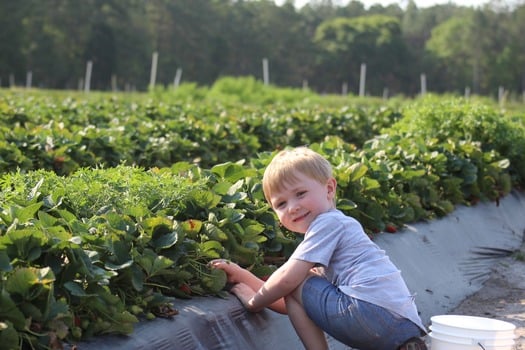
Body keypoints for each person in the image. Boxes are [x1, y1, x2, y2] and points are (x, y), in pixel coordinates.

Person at [210, 146, 427, 350]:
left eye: (301, 193)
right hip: (403, 325)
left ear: (329, 188)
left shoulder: (327, 223)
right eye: (281, 204)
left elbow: (287, 282)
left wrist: (253, 303)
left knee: (296, 278)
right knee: (300, 280)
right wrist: (243, 276)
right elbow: (289, 303)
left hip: (371, 314)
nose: (293, 207)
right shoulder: (336, 230)